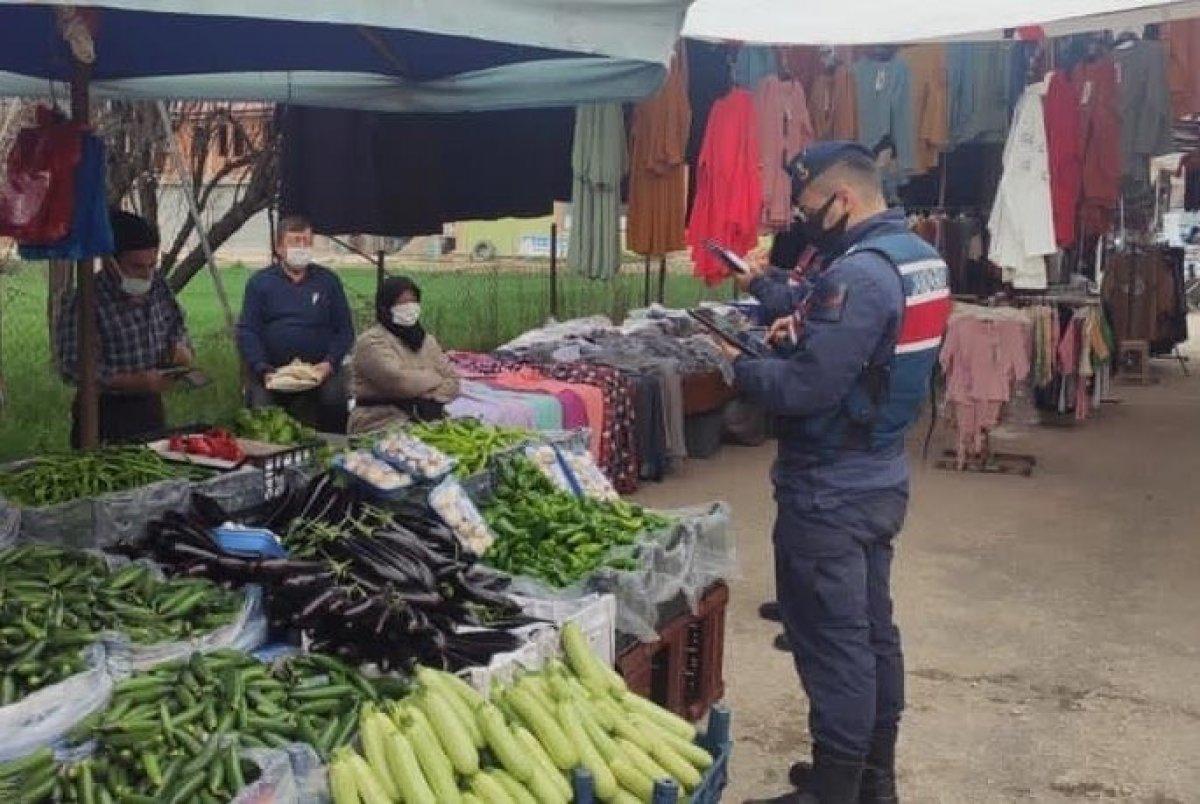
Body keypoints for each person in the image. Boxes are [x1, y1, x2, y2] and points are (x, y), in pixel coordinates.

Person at [727, 142, 951, 804]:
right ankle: (870, 780)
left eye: (807, 207)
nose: (803, 221)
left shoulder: (862, 274)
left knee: (833, 642)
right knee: (872, 632)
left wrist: (736, 365)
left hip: (831, 484)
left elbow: (805, 388)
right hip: (880, 471)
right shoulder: (920, 260)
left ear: (842, 199)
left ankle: (833, 787)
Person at [56, 209, 193, 447]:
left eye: (152, 265)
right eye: (137, 267)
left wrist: (179, 352)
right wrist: (131, 381)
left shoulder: (159, 287)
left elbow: (177, 326)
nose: (147, 275)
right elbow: (73, 368)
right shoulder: (86, 302)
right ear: (111, 263)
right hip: (103, 412)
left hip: (150, 409)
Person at [236, 214, 354, 432]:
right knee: (262, 410)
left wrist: (329, 363)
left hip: (319, 371)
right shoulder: (260, 283)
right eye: (295, 241)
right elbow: (248, 331)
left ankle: (334, 449)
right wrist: (262, 368)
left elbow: (345, 330)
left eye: (306, 242)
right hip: (273, 372)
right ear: (280, 248)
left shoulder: (328, 281)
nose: (302, 247)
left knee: (335, 397)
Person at [346, 276, 460, 434]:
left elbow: (453, 381)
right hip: (380, 420)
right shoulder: (372, 341)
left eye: (413, 303)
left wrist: (425, 394)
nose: (408, 308)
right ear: (386, 306)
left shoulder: (427, 341)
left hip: (425, 417)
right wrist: (435, 378)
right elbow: (399, 382)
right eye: (401, 303)